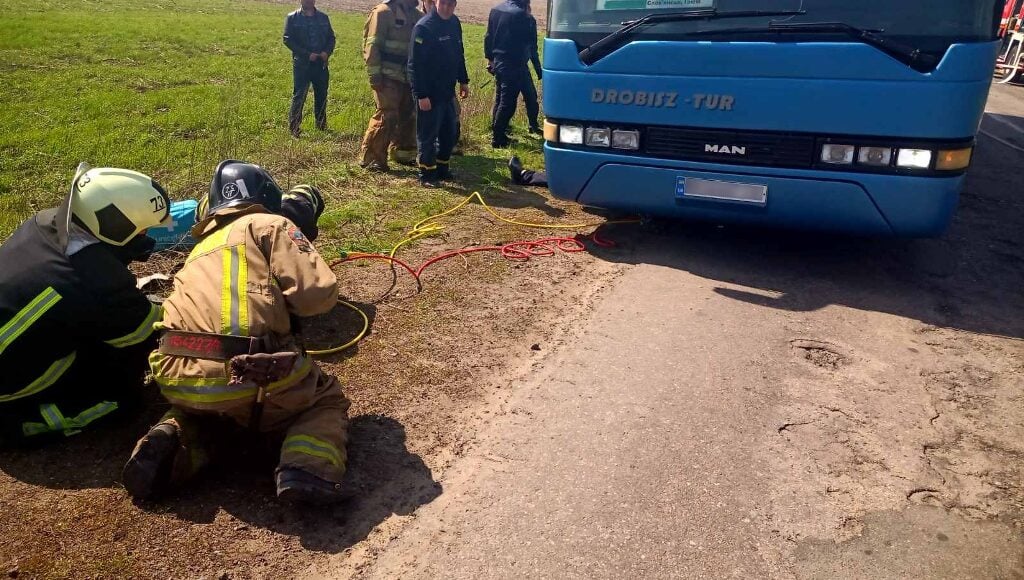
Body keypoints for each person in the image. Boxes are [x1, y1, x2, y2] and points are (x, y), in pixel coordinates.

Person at [122, 160, 351, 505]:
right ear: (269, 196)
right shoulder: (271, 224)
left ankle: (172, 437)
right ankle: (306, 468)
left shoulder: (196, 250)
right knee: (324, 400)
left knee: (213, 416)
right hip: (249, 371)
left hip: (175, 373)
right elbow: (316, 297)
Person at [0, 164, 169, 446]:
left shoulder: (44, 222)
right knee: (121, 396)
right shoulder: (99, 282)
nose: (147, 236)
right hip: (7, 388)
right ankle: (25, 423)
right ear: (117, 227)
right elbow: (149, 331)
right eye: (142, 230)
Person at [409, 0, 470, 187]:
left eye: (451, 4)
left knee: (449, 132)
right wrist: (421, 95)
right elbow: (414, 65)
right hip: (429, 92)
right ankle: (426, 174)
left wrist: (463, 80)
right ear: (436, 2)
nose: (447, 8)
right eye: (443, 3)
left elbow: (459, 53)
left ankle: (443, 169)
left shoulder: (454, 23)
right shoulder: (424, 27)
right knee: (427, 134)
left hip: (447, 91)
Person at [358, 0, 422, 171]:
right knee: (387, 116)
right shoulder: (383, 13)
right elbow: (372, 47)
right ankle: (372, 158)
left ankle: (403, 153)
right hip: (387, 76)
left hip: (408, 77)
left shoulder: (417, 16)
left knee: (408, 115)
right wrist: (375, 76)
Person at [283, 0, 337, 138]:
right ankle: (294, 128)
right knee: (299, 96)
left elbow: (331, 38)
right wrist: (307, 54)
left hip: (321, 64)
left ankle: (321, 126)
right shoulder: (292, 18)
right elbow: (287, 40)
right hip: (302, 65)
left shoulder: (323, 18)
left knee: (322, 95)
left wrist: (327, 52)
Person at [485, 0, 534, 148]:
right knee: (507, 103)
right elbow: (528, 41)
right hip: (514, 63)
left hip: (499, 61)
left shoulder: (496, 9)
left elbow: (488, 36)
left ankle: (497, 131)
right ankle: (498, 138)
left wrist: (490, 59)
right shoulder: (522, 15)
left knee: (500, 99)